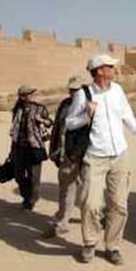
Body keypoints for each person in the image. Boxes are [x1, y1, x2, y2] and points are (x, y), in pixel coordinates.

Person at [66, 54, 136, 265]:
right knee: (91, 204)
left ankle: (112, 246)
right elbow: (69, 123)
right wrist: (86, 115)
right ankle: (90, 242)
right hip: (94, 157)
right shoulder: (84, 95)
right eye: (110, 66)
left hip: (120, 155)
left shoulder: (118, 90)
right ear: (100, 70)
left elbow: (126, 113)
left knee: (119, 205)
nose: (114, 69)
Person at [43, 75, 86, 238]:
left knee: (87, 190)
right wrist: (54, 150)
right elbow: (57, 130)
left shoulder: (90, 104)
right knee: (66, 190)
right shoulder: (65, 105)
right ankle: (61, 223)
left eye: (77, 90)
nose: (73, 93)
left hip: (84, 155)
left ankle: (96, 216)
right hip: (66, 155)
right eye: (72, 90)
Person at [10, 85, 52, 210]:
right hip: (19, 148)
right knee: (18, 175)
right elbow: (14, 131)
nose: (34, 96)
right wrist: (12, 149)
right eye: (30, 94)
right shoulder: (17, 110)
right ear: (23, 97)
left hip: (35, 147)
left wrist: (42, 121)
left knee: (34, 177)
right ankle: (26, 195)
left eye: (34, 93)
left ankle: (31, 200)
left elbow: (50, 122)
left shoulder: (40, 109)